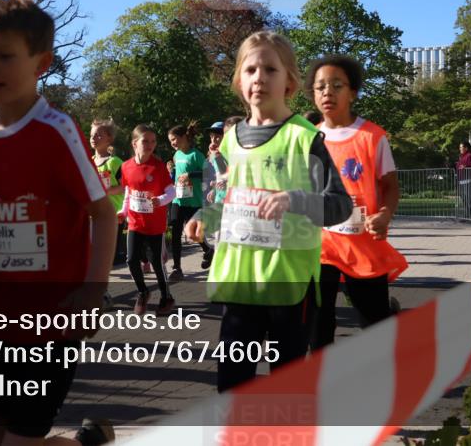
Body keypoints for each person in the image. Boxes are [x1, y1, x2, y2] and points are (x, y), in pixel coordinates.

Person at [0, 0, 116, 446]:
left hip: (51, 323)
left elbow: (103, 212)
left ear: (41, 63)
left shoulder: (56, 130)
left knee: (21, 441)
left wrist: (93, 290)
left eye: (4, 56)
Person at [186, 31, 352, 391]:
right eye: (250, 69)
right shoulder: (230, 140)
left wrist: (294, 200)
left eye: (270, 69)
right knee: (232, 384)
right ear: (238, 81)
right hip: (239, 282)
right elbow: (220, 196)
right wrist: (203, 217)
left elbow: (340, 205)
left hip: (287, 286)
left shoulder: (304, 138)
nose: (258, 77)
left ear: (290, 83)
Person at [305, 55, 407, 349]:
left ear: (353, 93)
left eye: (337, 85)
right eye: (320, 86)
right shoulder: (307, 139)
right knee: (318, 323)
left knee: (373, 321)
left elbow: (390, 186)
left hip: (361, 244)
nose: (327, 92)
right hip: (319, 245)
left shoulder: (372, 137)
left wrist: (385, 214)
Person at [119, 124, 176, 315]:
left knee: (157, 264)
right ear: (135, 143)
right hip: (135, 223)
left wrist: (159, 200)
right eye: (146, 141)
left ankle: (166, 297)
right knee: (131, 259)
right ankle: (143, 292)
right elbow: (128, 192)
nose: (150, 145)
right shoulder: (126, 166)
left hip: (155, 225)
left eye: (153, 141)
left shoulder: (158, 167)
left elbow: (172, 191)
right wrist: (123, 211)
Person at [168, 121, 213, 280]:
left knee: (194, 232)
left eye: (174, 139)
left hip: (193, 200)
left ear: (184, 137)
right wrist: (172, 174)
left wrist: (190, 175)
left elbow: (208, 173)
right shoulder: (176, 155)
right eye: (170, 140)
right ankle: (177, 268)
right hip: (178, 199)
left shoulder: (196, 155)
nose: (172, 143)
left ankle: (208, 250)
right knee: (175, 232)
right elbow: (177, 174)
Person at [91, 119, 127, 265]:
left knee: (109, 252)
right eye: (92, 135)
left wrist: (109, 190)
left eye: (99, 135)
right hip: (94, 212)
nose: (94, 138)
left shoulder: (115, 162)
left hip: (114, 212)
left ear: (109, 139)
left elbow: (126, 185)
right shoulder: (90, 161)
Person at [455, 141, 471, 220]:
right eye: (460, 147)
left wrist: (466, 166)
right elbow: (458, 166)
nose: (460, 149)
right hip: (461, 180)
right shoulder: (461, 156)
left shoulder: (470, 155)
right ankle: (467, 216)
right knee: (464, 199)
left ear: (466, 148)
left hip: (469, 180)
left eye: (461, 147)